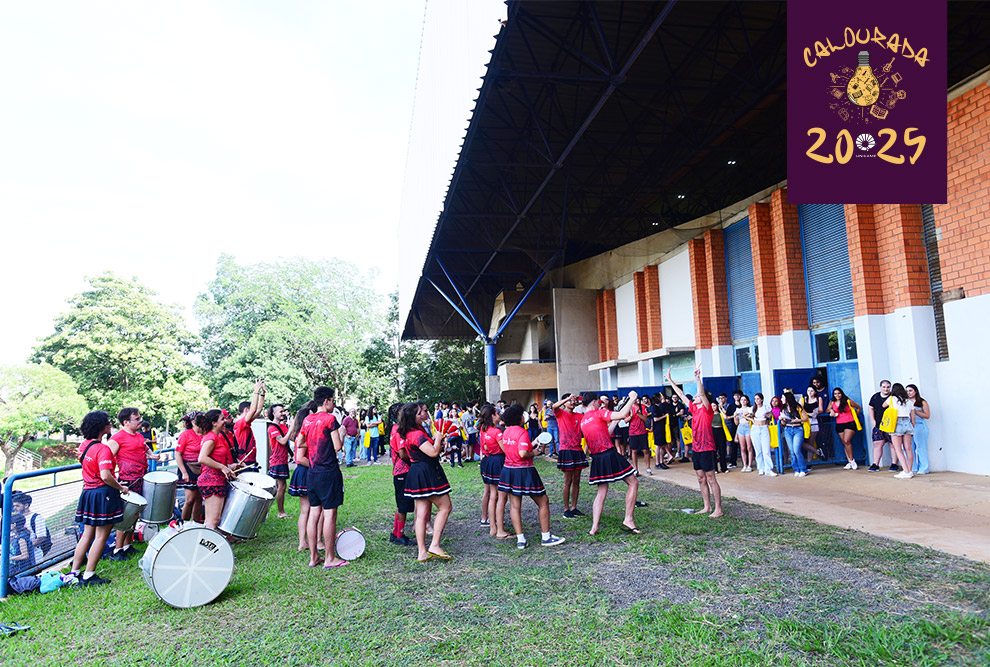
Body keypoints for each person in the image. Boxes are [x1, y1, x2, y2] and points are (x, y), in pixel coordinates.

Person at [69, 410, 130, 586]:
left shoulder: (84, 445)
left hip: (88, 492)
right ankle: (89, 575)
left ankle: (74, 572)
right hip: (103, 494)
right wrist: (121, 487)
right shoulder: (103, 449)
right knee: (101, 536)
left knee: (87, 534)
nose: (110, 424)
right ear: (101, 427)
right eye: (108, 422)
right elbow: (105, 475)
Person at [497, 404, 566, 549]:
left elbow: (514, 448)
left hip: (509, 470)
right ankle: (546, 537)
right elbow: (522, 453)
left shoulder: (506, 431)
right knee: (543, 502)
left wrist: (532, 443)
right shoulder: (521, 432)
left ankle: (520, 540)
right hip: (524, 471)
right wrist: (534, 452)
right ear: (519, 417)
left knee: (515, 506)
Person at [579, 391, 643, 535]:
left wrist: (614, 421)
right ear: (595, 402)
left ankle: (594, 527)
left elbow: (605, 434)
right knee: (633, 483)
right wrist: (632, 399)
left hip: (597, 457)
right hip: (609, 454)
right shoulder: (599, 412)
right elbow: (621, 415)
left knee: (601, 492)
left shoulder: (584, 420)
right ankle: (628, 519)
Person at [400, 402, 453, 562]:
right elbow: (433, 452)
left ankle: (422, 552)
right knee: (445, 507)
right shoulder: (417, 434)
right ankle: (434, 545)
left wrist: (437, 441)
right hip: (426, 472)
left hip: (417, 472)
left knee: (422, 514)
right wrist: (438, 439)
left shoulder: (413, 431)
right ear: (414, 417)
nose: (425, 413)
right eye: (421, 412)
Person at [667, 367, 723, 517]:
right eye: (696, 395)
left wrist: (698, 378)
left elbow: (703, 393)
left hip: (707, 447)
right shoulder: (693, 409)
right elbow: (680, 394)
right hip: (697, 449)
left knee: (711, 478)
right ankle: (707, 506)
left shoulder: (707, 409)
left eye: (697, 395)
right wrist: (670, 380)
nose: (696, 396)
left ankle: (718, 509)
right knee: (700, 478)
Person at [302, 386, 348, 568]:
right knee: (329, 514)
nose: (334, 404)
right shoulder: (330, 419)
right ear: (327, 401)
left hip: (312, 472)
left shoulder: (307, 420)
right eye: (333, 400)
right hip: (328, 471)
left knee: (314, 514)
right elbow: (337, 446)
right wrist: (342, 434)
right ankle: (329, 558)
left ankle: (314, 557)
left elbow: (300, 443)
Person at [107, 406, 153, 560]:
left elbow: (145, 448)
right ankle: (118, 549)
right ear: (126, 422)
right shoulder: (117, 438)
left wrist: (152, 456)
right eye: (137, 419)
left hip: (141, 478)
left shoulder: (139, 436)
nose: (140, 421)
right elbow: (105, 457)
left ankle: (127, 545)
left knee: (135, 514)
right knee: (126, 516)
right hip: (127, 481)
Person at [197, 410, 238, 532]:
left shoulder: (216, 437)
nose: (225, 421)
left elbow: (215, 460)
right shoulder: (211, 438)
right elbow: (202, 458)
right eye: (222, 419)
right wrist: (222, 467)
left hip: (216, 479)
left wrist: (230, 466)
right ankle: (204, 548)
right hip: (211, 480)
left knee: (214, 520)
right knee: (212, 521)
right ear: (214, 423)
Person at [551, 393, 587, 519]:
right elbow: (554, 406)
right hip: (566, 449)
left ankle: (574, 507)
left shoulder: (579, 415)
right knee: (568, 480)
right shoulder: (560, 413)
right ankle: (566, 509)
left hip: (577, 449)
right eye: (570, 401)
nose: (572, 402)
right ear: (565, 402)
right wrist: (567, 398)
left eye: (574, 400)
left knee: (577, 480)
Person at [288, 402, 317, 551]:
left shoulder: (299, 433)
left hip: (303, 471)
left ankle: (303, 542)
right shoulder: (303, 435)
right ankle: (309, 541)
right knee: (311, 509)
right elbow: (300, 458)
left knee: (306, 509)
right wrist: (316, 466)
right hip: (306, 471)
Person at [386, 403, 414, 546]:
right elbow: (402, 453)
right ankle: (400, 535)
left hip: (399, 471)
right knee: (403, 505)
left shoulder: (394, 428)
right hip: (403, 471)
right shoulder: (398, 430)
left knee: (400, 504)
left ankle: (396, 532)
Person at [478, 404, 507, 537]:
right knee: (500, 496)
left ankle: (492, 526)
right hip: (498, 461)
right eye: (496, 413)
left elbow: (484, 447)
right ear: (492, 416)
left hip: (489, 460)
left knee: (492, 495)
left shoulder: (484, 430)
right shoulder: (497, 432)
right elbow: (504, 449)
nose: (499, 415)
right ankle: (498, 526)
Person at [175, 412, 204, 523]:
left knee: (199, 498)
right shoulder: (186, 435)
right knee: (190, 499)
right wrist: (184, 472)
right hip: (188, 468)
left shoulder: (205, 434)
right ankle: (184, 522)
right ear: (193, 423)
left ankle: (196, 521)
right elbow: (178, 454)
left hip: (201, 468)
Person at [884, 383, 916, 479]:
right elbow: (912, 416)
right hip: (907, 423)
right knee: (908, 449)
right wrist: (912, 426)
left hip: (896, 423)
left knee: (898, 449)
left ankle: (905, 470)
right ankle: (909, 470)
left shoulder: (892, 399)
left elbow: (883, 405)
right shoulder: (909, 401)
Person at [234, 379, 266, 470]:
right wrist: (256, 392)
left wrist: (262, 394)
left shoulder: (246, 422)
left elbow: (259, 409)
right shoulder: (240, 423)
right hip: (245, 462)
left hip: (250, 461)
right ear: (246, 410)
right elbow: (254, 410)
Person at [266, 404, 291, 518]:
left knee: (281, 486)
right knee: (281, 487)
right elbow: (283, 441)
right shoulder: (272, 428)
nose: (283, 413)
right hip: (277, 461)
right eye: (280, 412)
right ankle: (281, 512)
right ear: (274, 414)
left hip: (283, 460)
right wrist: (291, 429)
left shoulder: (283, 427)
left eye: (283, 411)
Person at [11, 491, 48, 565]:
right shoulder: (14, 519)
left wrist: (25, 548)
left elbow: (41, 537)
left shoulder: (36, 518)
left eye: (17, 506)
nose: (14, 508)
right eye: (14, 506)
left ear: (26, 505)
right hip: (17, 558)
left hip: (34, 556)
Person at [829, 388, 861, 470]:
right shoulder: (832, 402)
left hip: (850, 423)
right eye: (835, 394)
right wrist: (832, 410)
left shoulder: (848, 401)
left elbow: (858, 407)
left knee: (847, 440)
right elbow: (827, 409)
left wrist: (855, 416)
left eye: (839, 393)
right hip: (839, 424)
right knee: (844, 442)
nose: (837, 395)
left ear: (842, 393)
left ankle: (852, 460)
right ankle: (850, 461)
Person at [868, 380, 897, 472]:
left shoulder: (894, 397)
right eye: (884, 387)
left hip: (892, 425)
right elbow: (870, 407)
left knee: (893, 445)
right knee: (877, 444)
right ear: (880, 387)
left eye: (888, 387)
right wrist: (873, 420)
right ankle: (875, 464)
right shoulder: (875, 397)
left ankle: (894, 464)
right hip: (879, 425)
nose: (886, 389)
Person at [780, 390, 810, 477]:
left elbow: (805, 418)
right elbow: (783, 424)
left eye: (783, 398)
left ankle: (803, 469)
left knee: (797, 450)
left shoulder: (798, 407)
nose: (781, 399)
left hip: (798, 429)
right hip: (788, 429)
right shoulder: (784, 409)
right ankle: (796, 469)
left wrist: (798, 420)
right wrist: (783, 420)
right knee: (792, 451)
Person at [906, 384, 931, 475]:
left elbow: (927, 415)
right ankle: (912, 468)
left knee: (921, 447)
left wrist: (916, 411)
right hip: (908, 426)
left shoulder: (922, 402)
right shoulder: (906, 402)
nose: (908, 393)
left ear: (915, 391)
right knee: (909, 447)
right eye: (907, 391)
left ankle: (924, 468)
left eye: (910, 390)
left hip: (919, 426)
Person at [750, 393, 777, 476]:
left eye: (758, 399)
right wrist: (752, 419)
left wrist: (768, 415)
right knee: (758, 450)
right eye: (755, 399)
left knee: (766, 450)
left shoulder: (766, 407)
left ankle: (768, 469)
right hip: (755, 428)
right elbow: (744, 415)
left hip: (764, 427)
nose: (756, 401)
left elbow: (771, 414)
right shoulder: (753, 408)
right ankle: (761, 468)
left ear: (761, 399)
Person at [627, 396, 652, 476]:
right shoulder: (628, 408)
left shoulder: (642, 407)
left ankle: (648, 467)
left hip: (642, 432)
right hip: (632, 432)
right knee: (634, 451)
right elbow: (625, 420)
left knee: (645, 450)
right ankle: (635, 469)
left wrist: (638, 413)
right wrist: (631, 415)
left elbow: (645, 419)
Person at [802, 386, 826, 462]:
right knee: (801, 441)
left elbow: (821, 410)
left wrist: (816, 412)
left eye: (812, 391)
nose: (809, 392)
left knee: (811, 442)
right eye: (808, 390)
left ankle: (810, 462)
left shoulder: (818, 399)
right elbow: (800, 409)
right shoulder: (803, 399)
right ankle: (818, 452)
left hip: (814, 421)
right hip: (805, 421)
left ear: (815, 392)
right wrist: (808, 414)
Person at [734, 395, 755, 472]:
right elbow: (736, 423)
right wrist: (735, 416)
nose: (743, 401)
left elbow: (751, 417)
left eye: (745, 400)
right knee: (742, 448)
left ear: (747, 401)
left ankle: (750, 465)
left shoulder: (749, 409)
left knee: (749, 447)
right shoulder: (738, 410)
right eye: (742, 400)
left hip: (748, 426)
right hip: (740, 427)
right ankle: (744, 464)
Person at [711, 394, 731, 473]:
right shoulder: (710, 415)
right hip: (713, 432)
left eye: (714, 406)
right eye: (712, 406)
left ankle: (724, 468)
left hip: (720, 431)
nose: (713, 407)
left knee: (722, 450)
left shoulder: (720, 414)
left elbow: (726, 417)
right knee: (714, 451)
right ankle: (715, 468)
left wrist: (720, 407)